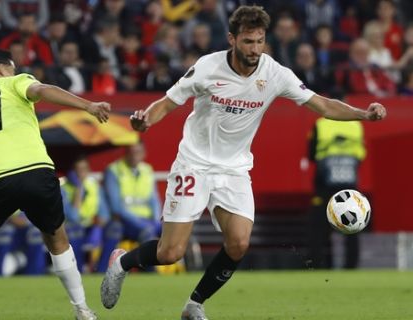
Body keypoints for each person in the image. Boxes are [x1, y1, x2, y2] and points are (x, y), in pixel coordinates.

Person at [99, 5, 387, 320]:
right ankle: (122, 262)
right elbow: (167, 102)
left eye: (260, 41)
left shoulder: (275, 73)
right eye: (248, 42)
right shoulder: (207, 67)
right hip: (194, 163)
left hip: (234, 169)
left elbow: (322, 104)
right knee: (171, 253)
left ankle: (194, 305)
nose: (254, 49)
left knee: (238, 243)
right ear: (232, 39)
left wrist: (363, 114)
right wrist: (144, 121)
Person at [0, 48, 110, 320]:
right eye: (12, 68)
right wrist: (88, 105)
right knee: (57, 238)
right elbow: (42, 89)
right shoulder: (15, 81)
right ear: (4, 68)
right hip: (38, 172)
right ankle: (83, 310)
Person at [306, 117, 366, 269]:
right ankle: (351, 267)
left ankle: (319, 266)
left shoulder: (321, 124)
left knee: (319, 228)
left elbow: (311, 154)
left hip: (324, 185)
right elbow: (361, 154)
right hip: (349, 186)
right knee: (353, 225)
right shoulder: (356, 125)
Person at [97, 141, 162, 272]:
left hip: (146, 220)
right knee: (145, 232)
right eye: (131, 152)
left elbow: (154, 200)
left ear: (144, 154)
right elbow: (116, 207)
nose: (134, 156)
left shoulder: (147, 170)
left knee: (173, 231)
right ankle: (150, 275)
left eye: (137, 152)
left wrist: (156, 221)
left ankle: (185, 269)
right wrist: (142, 224)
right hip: (123, 220)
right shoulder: (114, 170)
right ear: (125, 153)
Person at [61, 155, 110, 273]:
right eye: (77, 170)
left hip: (90, 226)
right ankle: (78, 270)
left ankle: (101, 270)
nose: (80, 173)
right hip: (70, 228)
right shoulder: (63, 189)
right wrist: (79, 188)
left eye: (84, 169)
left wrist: (100, 223)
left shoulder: (94, 186)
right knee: (75, 231)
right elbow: (73, 216)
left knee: (111, 230)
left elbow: (105, 214)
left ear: (88, 171)